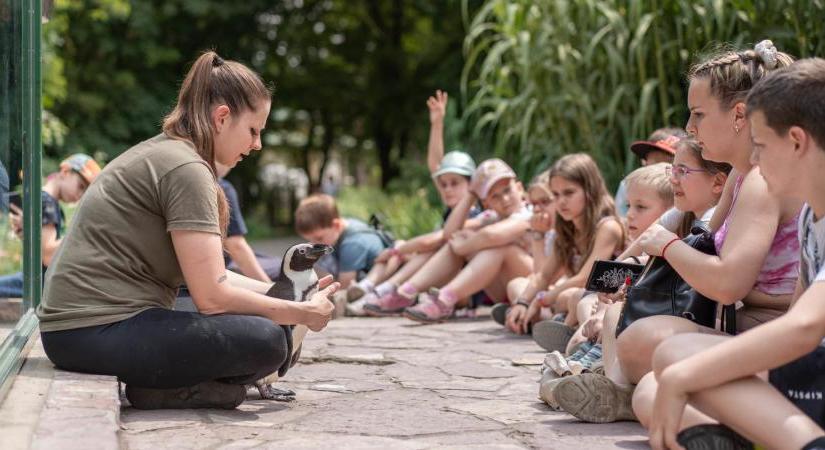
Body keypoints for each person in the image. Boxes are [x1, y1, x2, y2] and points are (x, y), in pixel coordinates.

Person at [36, 51, 337, 410]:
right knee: (268, 340)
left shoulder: (174, 155)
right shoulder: (186, 169)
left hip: (81, 330)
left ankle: (168, 388)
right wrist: (300, 314)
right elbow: (213, 296)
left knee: (270, 324)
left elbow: (213, 276)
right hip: (90, 331)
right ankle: (178, 386)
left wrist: (291, 296)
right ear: (222, 117)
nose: (257, 144)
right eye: (253, 131)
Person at [634, 57, 825, 450]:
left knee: (674, 366)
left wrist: (685, 377)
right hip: (811, 370)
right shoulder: (810, 218)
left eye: (760, 146)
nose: (752, 161)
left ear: (796, 141)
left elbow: (804, 327)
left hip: (814, 372)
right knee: (662, 372)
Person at [548, 136, 730, 420]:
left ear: (718, 183)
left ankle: (611, 385)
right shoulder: (680, 213)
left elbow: (673, 271)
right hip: (673, 314)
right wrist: (615, 282)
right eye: (673, 170)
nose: (674, 179)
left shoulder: (710, 219)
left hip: (693, 319)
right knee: (599, 311)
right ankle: (608, 380)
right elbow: (631, 258)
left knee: (607, 315)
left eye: (682, 171)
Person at [366, 158, 532, 322]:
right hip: (502, 290)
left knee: (498, 247)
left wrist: (464, 245)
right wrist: (471, 194)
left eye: (507, 190)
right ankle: (406, 292)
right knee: (456, 241)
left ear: (519, 188)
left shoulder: (530, 214)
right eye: (495, 196)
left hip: (528, 284)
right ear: (486, 203)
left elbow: (491, 236)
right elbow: (449, 234)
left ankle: (445, 298)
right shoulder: (490, 217)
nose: (504, 199)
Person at [506, 153, 625, 340]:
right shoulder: (567, 229)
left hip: (602, 298)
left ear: (590, 190)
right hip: (572, 296)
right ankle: (543, 320)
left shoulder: (608, 227)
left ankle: (553, 323)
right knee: (517, 286)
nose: (561, 201)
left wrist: (541, 299)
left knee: (569, 296)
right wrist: (523, 301)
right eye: (555, 195)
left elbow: (585, 278)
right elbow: (544, 275)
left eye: (569, 193)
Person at [0, 153, 101, 298]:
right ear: (65, 172)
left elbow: (40, 248)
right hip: (38, 283)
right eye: (81, 186)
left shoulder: (47, 201)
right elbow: (48, 255)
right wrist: (84, 232)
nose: (81, 195)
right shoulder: (47, 203)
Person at [295, 193, 391, 289]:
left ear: (336, 225)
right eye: (309, 239)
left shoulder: (352, 244)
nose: (313, 244)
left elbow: (343, 288)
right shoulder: (342, 227)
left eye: (319, 238)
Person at [217, 162, 280, 282]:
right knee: (283, 266)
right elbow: (236, 245)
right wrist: (268, 287)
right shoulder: (222, 187)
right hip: (222, 268)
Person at [615, 128, 684, 216]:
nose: (659, 173)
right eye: (653, 165)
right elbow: (621, 220)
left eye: (667, 166)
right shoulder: (629, 185)